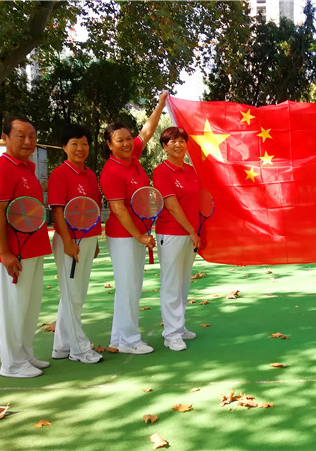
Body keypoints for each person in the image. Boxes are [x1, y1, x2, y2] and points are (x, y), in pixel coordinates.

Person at [100, 91, 169, 354]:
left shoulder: (133, 157)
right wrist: (139, 236)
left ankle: (118, 339)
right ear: (110, 144)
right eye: (120, 141)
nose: (128, 143)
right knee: (128, 288)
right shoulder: (111, 170)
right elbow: (118, 209)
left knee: (129, 287)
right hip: (123, 236)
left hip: (138, 233)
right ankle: (130, 340)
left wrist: (160, 105)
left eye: (129, 138)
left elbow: (147, 131)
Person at [0, 118, 52, 378]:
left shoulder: (26, 168)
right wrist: (4, 253)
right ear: (5, 138)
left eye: (32, 136)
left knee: (29, 307)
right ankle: (12, 364)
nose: (28, 141)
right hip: (14, 253)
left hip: (33, 249)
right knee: (13, 309)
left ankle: (25, 354)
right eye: (21, 135)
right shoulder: (2, 169)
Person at [48, 124, 104, 364]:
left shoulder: (90, 174)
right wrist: (68, 242)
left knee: (75, 294)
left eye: (84, 144)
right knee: (73, 296)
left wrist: (95, 240)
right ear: (64, 147)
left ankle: (61, 346)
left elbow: (92, 210)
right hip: (69, 242)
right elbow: (57, 212)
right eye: (74, 144)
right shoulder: (60, 174)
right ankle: (79, 349)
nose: (80, 148)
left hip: (88, 239)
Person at [152, 127, 200, 351]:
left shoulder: (191, 171)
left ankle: (179, 327)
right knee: (171, 284)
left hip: (190, 234)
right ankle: (171, 334)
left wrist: (194, 231)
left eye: (182, 141)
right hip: (171, 233)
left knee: (183, 282)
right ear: (164, 146)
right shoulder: (161, 171)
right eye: (173, 141)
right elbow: (171, 205)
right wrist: (191, 230)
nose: (178, 145)